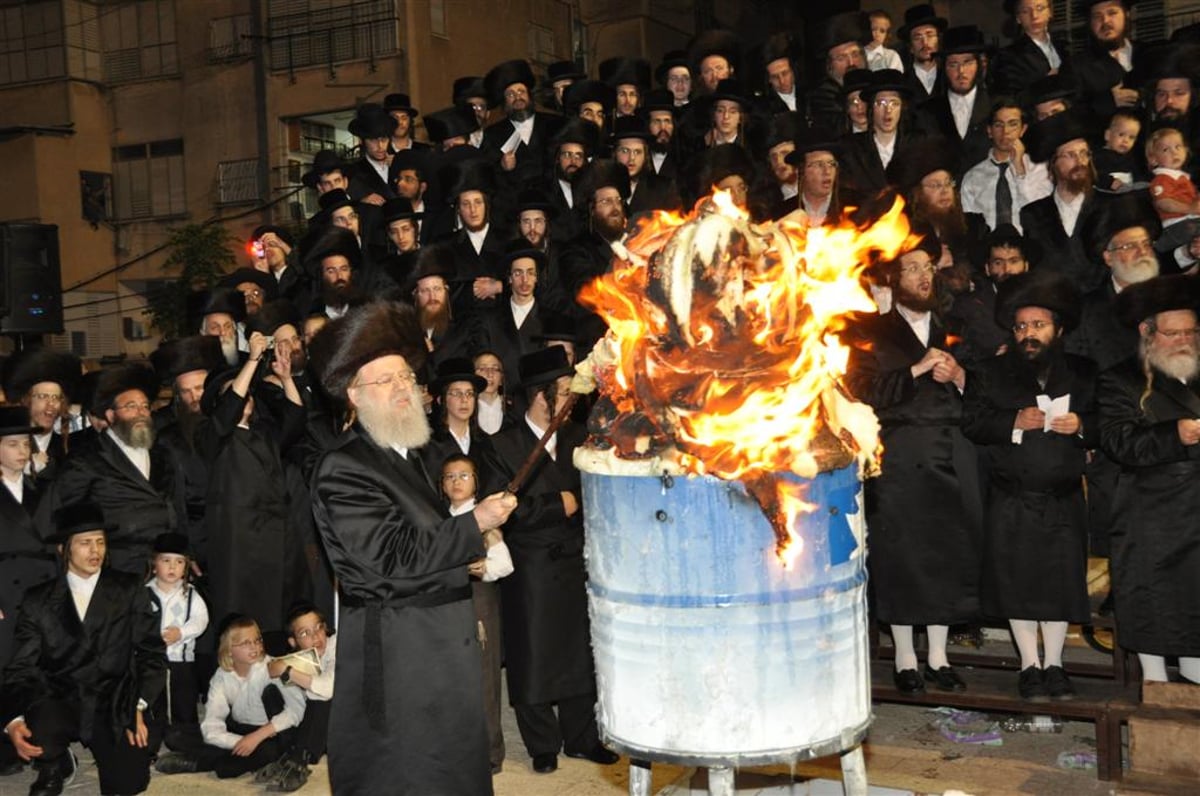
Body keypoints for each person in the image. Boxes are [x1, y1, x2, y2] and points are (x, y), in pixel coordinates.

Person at [307, 299, 516, 794]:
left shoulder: (414, 456)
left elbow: (427, 546)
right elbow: (390, 557)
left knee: (451, 771)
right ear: (354, 395)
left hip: (439, 649)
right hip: (401, 654)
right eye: (386, 381)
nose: (402, 388)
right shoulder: (345, 468)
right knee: (406, 771)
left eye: (405, 378)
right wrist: (473, 525)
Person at [844, 231, 982, 695]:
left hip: (951, 454)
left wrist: (960, 376)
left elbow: (993, 390)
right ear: (894, 279)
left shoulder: (959, 322)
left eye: (928, 268)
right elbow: (860, 393)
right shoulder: (871, 331)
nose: (923, 276)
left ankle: (939, 657)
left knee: (946, 553)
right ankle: (905, 658)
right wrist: (914, 372)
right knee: (901, 556)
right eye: (912, 269)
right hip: (898, 459)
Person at [962, 271, 1097, 701]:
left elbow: (1108, 424)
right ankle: (1028, 666)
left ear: (1058, 329)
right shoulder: (990, 372)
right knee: (1017, 584)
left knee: (1059, 584)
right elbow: (973, 422)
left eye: (1037, 326)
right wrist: (1013, 422)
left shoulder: (1084, 371)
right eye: (1021, 327)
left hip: (1063, 498)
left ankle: (1055, 664)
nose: (1028, 335)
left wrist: (1083, 427)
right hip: (1011, 496)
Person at [490, 346, 618, 773]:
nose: (569, 401)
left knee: (580, 651)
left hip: (577, 562)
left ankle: (582, 737)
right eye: (561, 392)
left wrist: (573, 503)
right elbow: (498, 510)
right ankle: (542, 743)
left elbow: (598, 494)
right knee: (535, 652)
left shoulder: (581, 438)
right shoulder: (503, 445)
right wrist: (554, 505)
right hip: (531, 567)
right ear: (538, 396)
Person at [2, 502, 165, 796]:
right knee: (41, 726)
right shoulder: (38, 600)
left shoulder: (128, 588)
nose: (95, 551)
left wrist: (137, 705)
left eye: (100, 542)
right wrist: (13, 721)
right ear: (64, 550)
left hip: (114, 700)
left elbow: (152, 653)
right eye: (85, 543)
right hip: (60, 698)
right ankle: (55, 763)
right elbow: (20, 668)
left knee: (128, 783)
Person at [1099, 274, 1200, 684]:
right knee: (1155, 603)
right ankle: (1155, 685)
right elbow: (1117, 441)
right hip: (1152, 516)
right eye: (1173, 333)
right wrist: (1173, 434)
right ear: (1147, 332)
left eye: (1191, 332)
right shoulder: (1121, 379)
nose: (1184, 341)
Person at [43, 364, 183, 575]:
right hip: (116, 569)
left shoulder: (162, 454)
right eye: (131, 407)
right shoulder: (86, 459)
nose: (141, 413)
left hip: (164, 568)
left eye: (145, 406)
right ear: (110, 415)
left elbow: (177, 505)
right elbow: (63, 514)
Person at [156, 615, 305, 780]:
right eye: (246, 643)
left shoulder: (274, 667)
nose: (255, 647)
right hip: (239, 729)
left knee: (226, 768)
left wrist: (257, 737)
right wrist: (240, 742)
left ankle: (199, 762)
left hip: (270, 733)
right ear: (229, 650)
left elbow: (297, 710)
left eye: (257, 640)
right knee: (174, 735)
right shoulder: (221, 675)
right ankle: (236, 755)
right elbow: (213, 722)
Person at [441, 454, 513, 774]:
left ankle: (489, 754)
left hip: (478, 606)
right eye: (450, 476)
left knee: (483, 681)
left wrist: (477, 568)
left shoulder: (484, 518)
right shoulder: (436, 519)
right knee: (450, 681)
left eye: (464, 475)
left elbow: (505, 564)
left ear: (476, 483)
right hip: (444, 609)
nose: (456, 481)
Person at [145, 532, 208, 754]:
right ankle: (151, 741)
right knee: (153, 702)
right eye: (166, 561)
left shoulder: (190, 595)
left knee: (183, 701)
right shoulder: (145, 594)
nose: (172, 567)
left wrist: (181, 632)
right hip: (152, 662)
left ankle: (184, 739)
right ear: (154, 565)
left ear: (186, 567)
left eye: (179, 562)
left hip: (181, 662)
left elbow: (201, 620)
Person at [264, 602, 337, 790]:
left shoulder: (337, 645)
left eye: (319, 627)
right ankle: (293, 751)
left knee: (320, 697)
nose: (316, 636)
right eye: (305, 633)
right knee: (272, 694)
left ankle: (299, 760)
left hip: (353, 724)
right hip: (317, 730)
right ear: (293, 642)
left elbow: (328, 688)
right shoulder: (302, 658)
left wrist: (288, 671)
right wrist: (276, 668)